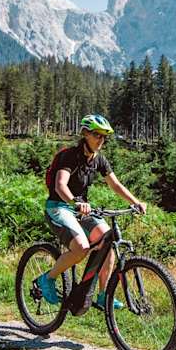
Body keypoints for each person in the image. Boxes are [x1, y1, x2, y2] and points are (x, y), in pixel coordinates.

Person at [37, 113, 146, 309]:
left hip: (81, 210)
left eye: (104, 137)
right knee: (81, 247)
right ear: (85, 133)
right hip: (59, 207)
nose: (101, 140)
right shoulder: (69, 156)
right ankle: (48, 278)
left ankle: (104, 295)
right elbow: (60, 185)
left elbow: (116, 185)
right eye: (97, 135)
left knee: (108, 241)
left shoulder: (99, 160)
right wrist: (75, 202)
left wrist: (136, 202)